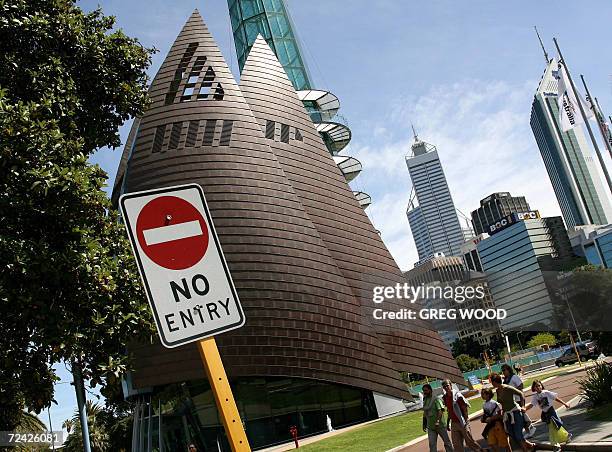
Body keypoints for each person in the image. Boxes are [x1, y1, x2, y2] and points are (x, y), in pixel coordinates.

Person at [489, 373, 535, 451]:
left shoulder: (507, 388)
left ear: (495, 381)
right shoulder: (497, 390)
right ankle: (531, 446)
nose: (491, 383)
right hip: (507, 415)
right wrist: (503, 412)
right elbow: (502, 402)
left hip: (515, 412)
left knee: (518, 435)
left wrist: (523, 406)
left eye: (492, 382)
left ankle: (526, 449)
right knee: (512, 434)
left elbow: (521, 394)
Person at [525, 380, 572, 447]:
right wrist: (525, 409)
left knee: (552, 427)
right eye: (536, 386)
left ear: (541, 386)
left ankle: (555, 444)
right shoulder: (535, 396)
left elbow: (555, 398)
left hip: (551, 411)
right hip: (545, 413)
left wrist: (565, 404)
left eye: (539, 385)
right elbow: (532, 404)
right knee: (555, 427)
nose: (538, 387)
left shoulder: (546, 392)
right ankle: (566, 436)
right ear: (534, 388)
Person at [441, 379, 483, 452]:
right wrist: (448, 423)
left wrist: (466, 420)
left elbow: (464, 408)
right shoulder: (445, 397)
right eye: (444, 387)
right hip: (454, 423)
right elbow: (449, 411)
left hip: (462, 422)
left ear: (451, 385)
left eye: (447, 386)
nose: (446, 388)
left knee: (470, 442)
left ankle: (481, 451)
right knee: (456, 445)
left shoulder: (457, 396)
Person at [501, 363, 535, 438]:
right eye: (502, 371)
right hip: (512, 401)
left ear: (508, 370)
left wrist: (513, 391)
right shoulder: (505, 380)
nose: (503, 372)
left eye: (504, 370)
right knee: (519, 416)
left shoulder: (514, 377)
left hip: (519, 399)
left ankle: (529, 429)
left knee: (521, 415)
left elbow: (521, 385)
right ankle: (528, 429)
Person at [422, 384, 453, 452]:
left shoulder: (436, 399)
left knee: (447, 442)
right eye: (423, 391)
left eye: (426, 390)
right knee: (432, 444)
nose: (424, 392)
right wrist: (424, 423)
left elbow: (440, 410)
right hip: (431, 427)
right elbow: (425, 412)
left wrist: (437, 421)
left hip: (440, 425)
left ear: (430, 390)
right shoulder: (425, 400)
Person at [480, 388, 511, 452]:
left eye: (483, 394)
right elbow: (485, 414)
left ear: (488, 395)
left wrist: (491, 418)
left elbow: (499, 414)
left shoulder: (494, 403)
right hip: (490, 425)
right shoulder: (484, 404)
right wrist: (483, 419)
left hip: (497, 424)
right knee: (491, 442)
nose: (482, 395)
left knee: (504, 442)